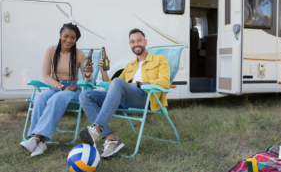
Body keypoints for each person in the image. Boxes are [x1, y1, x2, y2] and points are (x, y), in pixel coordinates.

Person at [79, 28, 170, 158]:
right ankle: (110, 139)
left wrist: (138, 84)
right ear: (130, 44)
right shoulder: (130, 65)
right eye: (132, 41)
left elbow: (165, 82)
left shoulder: (159, 59)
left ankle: (97, 130)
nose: (136, 44)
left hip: (146, 98)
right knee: (85, 95)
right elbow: (112, 86)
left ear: (145, 42)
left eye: (139, 40)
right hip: (124, 99)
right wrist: (103, 71)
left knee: (118, 82)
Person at [20, 23, 93, 157]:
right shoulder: (51, 50)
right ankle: (40, 143)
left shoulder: (80, 54)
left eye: (73, 37)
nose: (69, 40)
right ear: (60, 35)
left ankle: (35, 138)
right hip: (55, 86)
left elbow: (87, 81)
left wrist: (88, 75)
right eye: (66, 36)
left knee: (56, 98)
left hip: (73, 89)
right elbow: (45, 75)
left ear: (76, 39)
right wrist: (61, 87)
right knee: (39, 98)